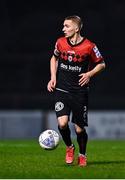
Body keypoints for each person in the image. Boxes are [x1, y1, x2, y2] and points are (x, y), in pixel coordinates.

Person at [47, 15, 106, 167]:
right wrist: (53, 77)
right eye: (63, 26)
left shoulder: (89, 46)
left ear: (76, 28)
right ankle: (69, 147)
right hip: (62, 89)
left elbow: (102, 64)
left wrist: (89, 74)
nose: (63, 29)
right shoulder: (60, 42)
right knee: (62, 123)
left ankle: (82, 154)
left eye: (66, 26)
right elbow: (54, 58)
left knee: (79, 130)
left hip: (80, 92)